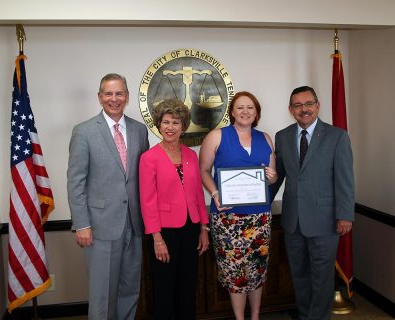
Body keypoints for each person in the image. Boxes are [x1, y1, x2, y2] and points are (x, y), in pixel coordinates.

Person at [67, 73, 149, 320]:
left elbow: (144, 176)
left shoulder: (139, 130)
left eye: (119, 93)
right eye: (109, 94)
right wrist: (82, 224)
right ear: (100, 97)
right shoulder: (84, 131)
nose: (114, 99)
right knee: (103, 294)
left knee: (129, 289)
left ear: (127, 96)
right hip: (99, 227)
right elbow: (75, 181)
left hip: (134, 225)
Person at [270, 86, 354, 320]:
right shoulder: (283, 136)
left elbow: (345, 179)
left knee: (322, 278)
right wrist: (258, 202)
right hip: (293, 222)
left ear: (317, 106)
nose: (303, 109)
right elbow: (278, 176)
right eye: (297, 105)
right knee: (299, 276)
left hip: (325, 222)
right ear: (290, 110)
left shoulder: (337, 136)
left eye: (308, 104)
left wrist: (345, 215)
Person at [199, 91, 277, 320]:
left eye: (250, 108)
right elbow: (203, 171)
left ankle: (255, 316)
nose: (245, 111)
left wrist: (272, 177)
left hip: (260, 218)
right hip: (227, 218)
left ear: (256, 113)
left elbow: (271, 176)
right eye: (240, 107)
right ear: (232, 111)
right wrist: (214, 193)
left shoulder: (266, 138)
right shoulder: (217, 136)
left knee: (257, 270)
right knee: (235, 273)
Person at [139, 99, 210, 320]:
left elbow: (198, 193)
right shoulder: (148, 158)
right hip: (165, 232)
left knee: (188, 285)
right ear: (159, 125)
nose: (170, 127)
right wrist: (157, 239)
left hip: (191, 228)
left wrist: (204, 228)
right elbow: (147, 200)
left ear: (183, 127)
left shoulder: (191, 155)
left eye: (176, 122)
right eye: (166, 122)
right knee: (164, 288)